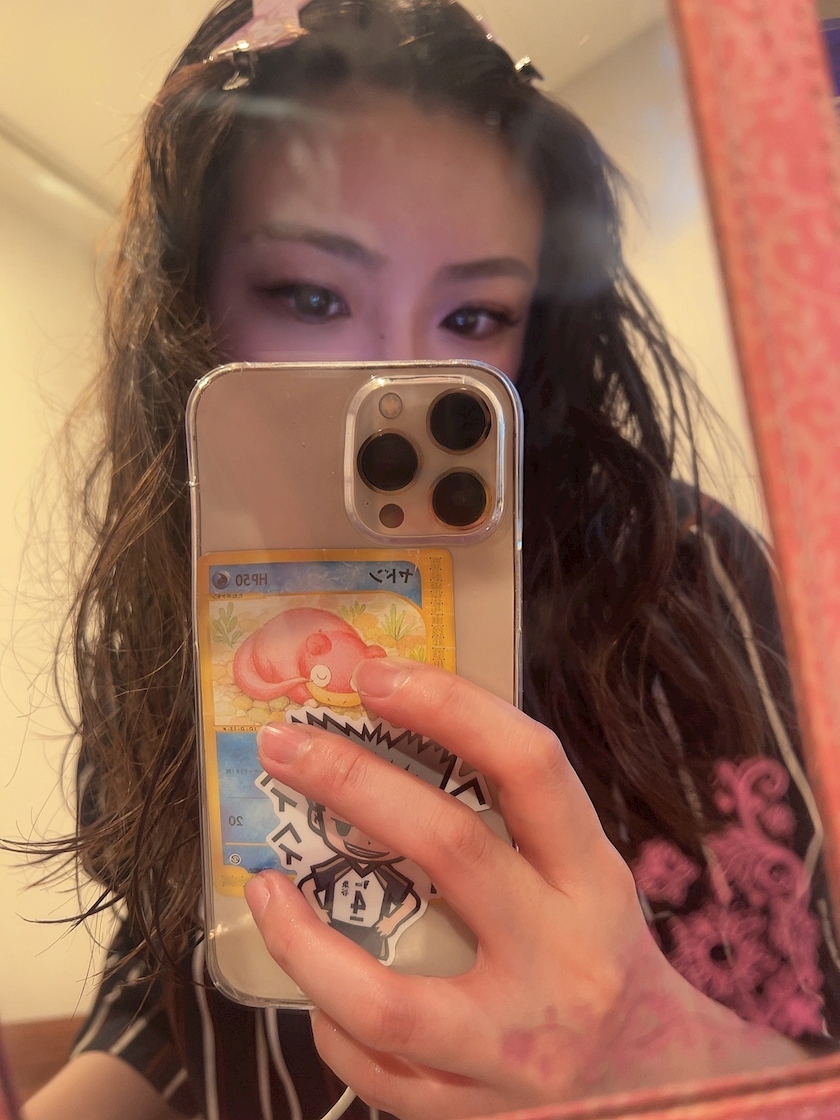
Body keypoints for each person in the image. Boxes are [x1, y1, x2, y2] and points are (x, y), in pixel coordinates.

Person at [17, 0, 840, 1118]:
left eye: (474, 316)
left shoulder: (690, 575)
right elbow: (163, 998)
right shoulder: (157, 631)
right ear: (189, 308)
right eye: (311, 296)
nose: (398, 373)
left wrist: (660, 1065)